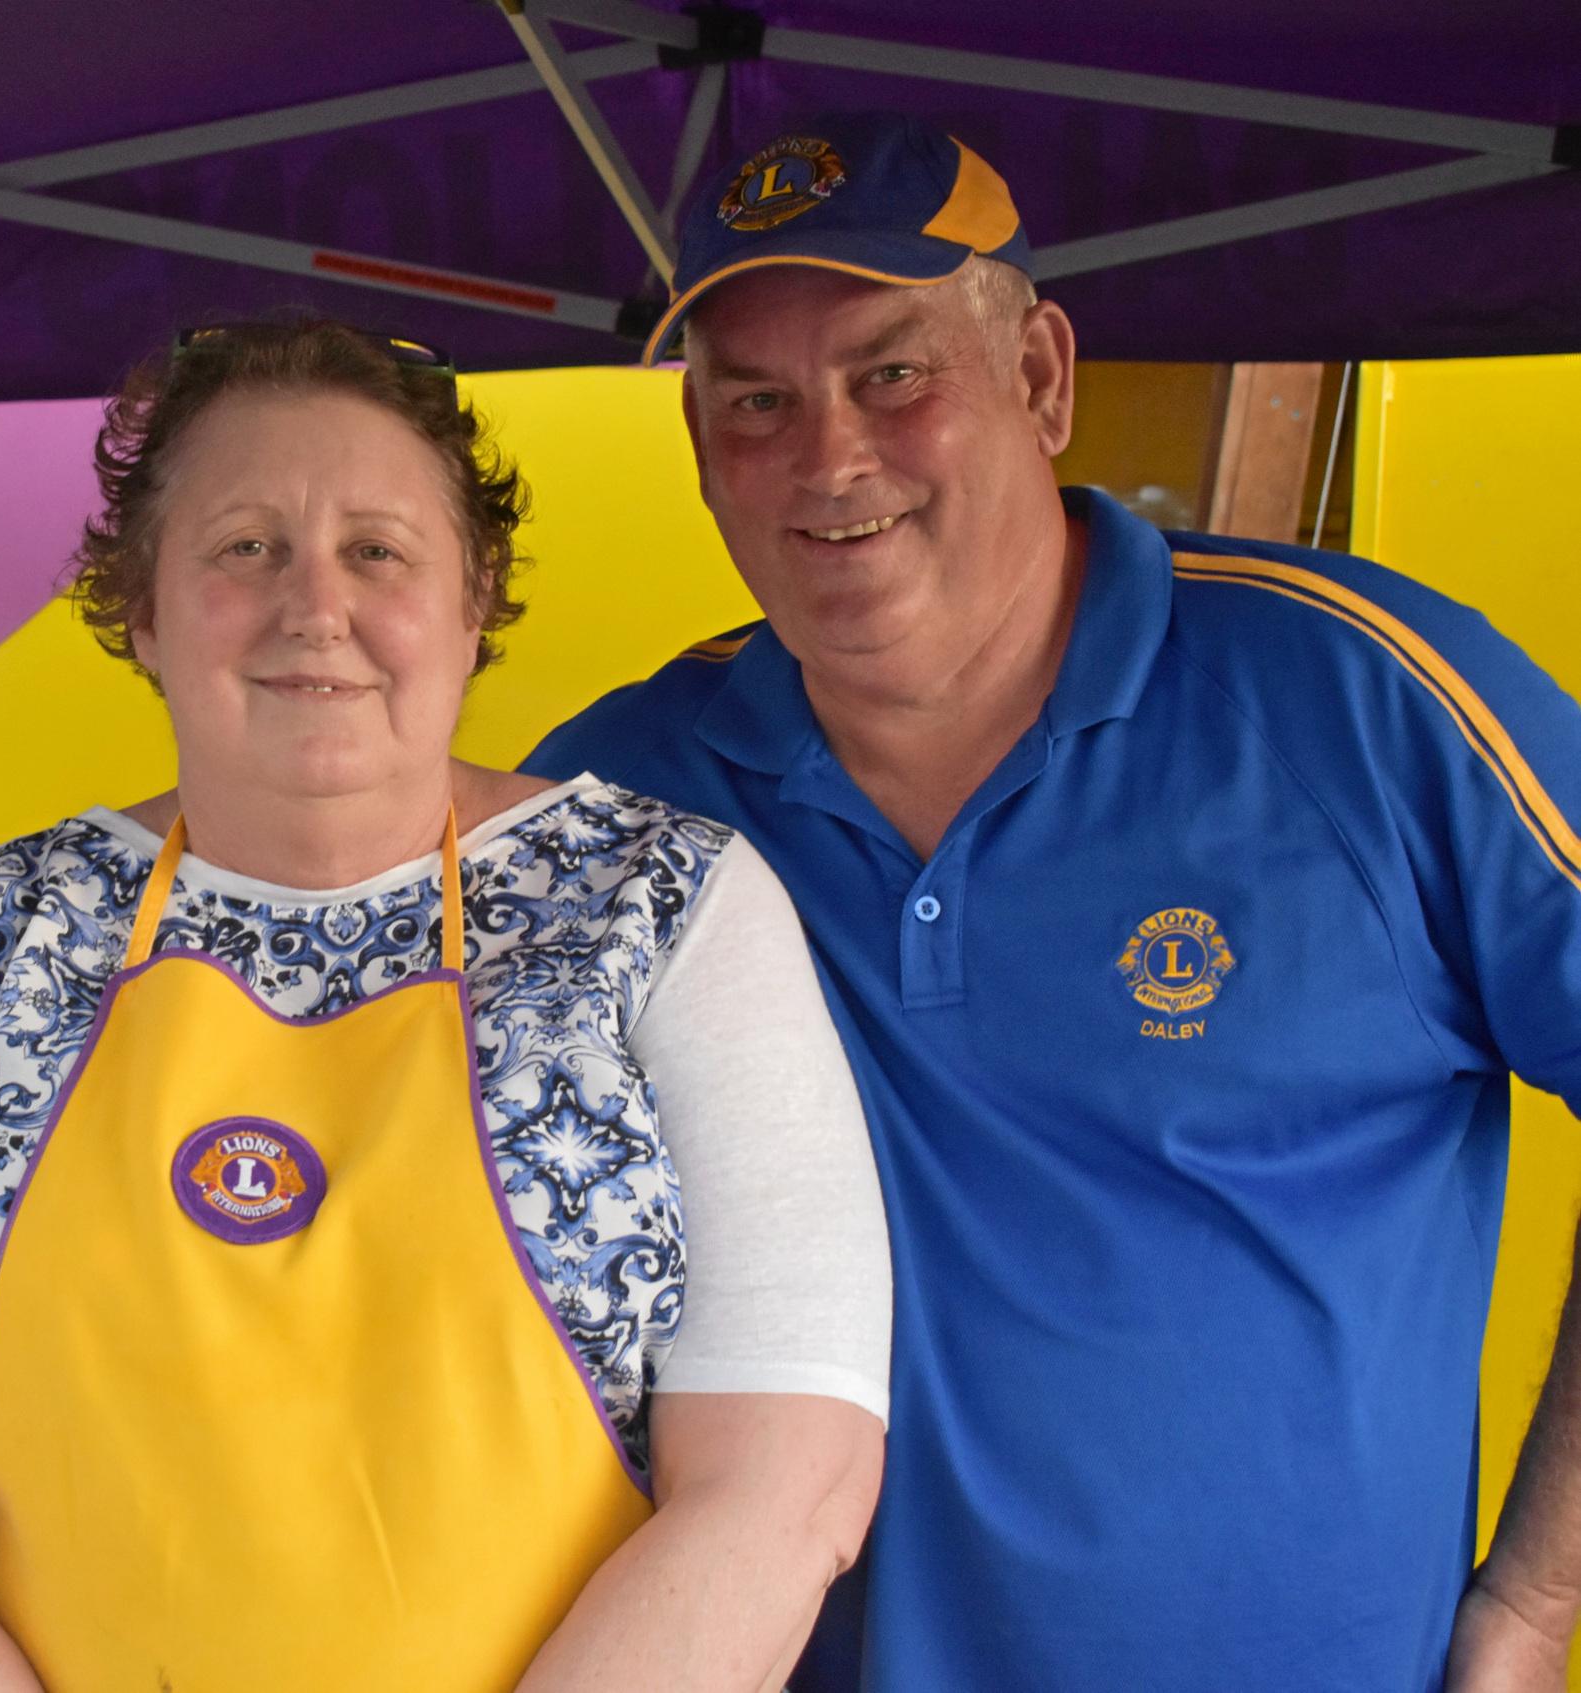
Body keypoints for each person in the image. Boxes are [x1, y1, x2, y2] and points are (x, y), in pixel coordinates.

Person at [529, 112, 1581, 1693]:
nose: (828, 456)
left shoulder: (1361, 699)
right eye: (755, 401)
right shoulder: (612, 798)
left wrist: (1531, 1602)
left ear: (1038, 378)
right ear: (696, 453)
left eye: (892, 372)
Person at [0, 318, 892, 1692]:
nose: (315, 609)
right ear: (142, 608)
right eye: (245, 548)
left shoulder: (666, 909)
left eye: (378, 550)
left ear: (473, 602)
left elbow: (784, 1486)